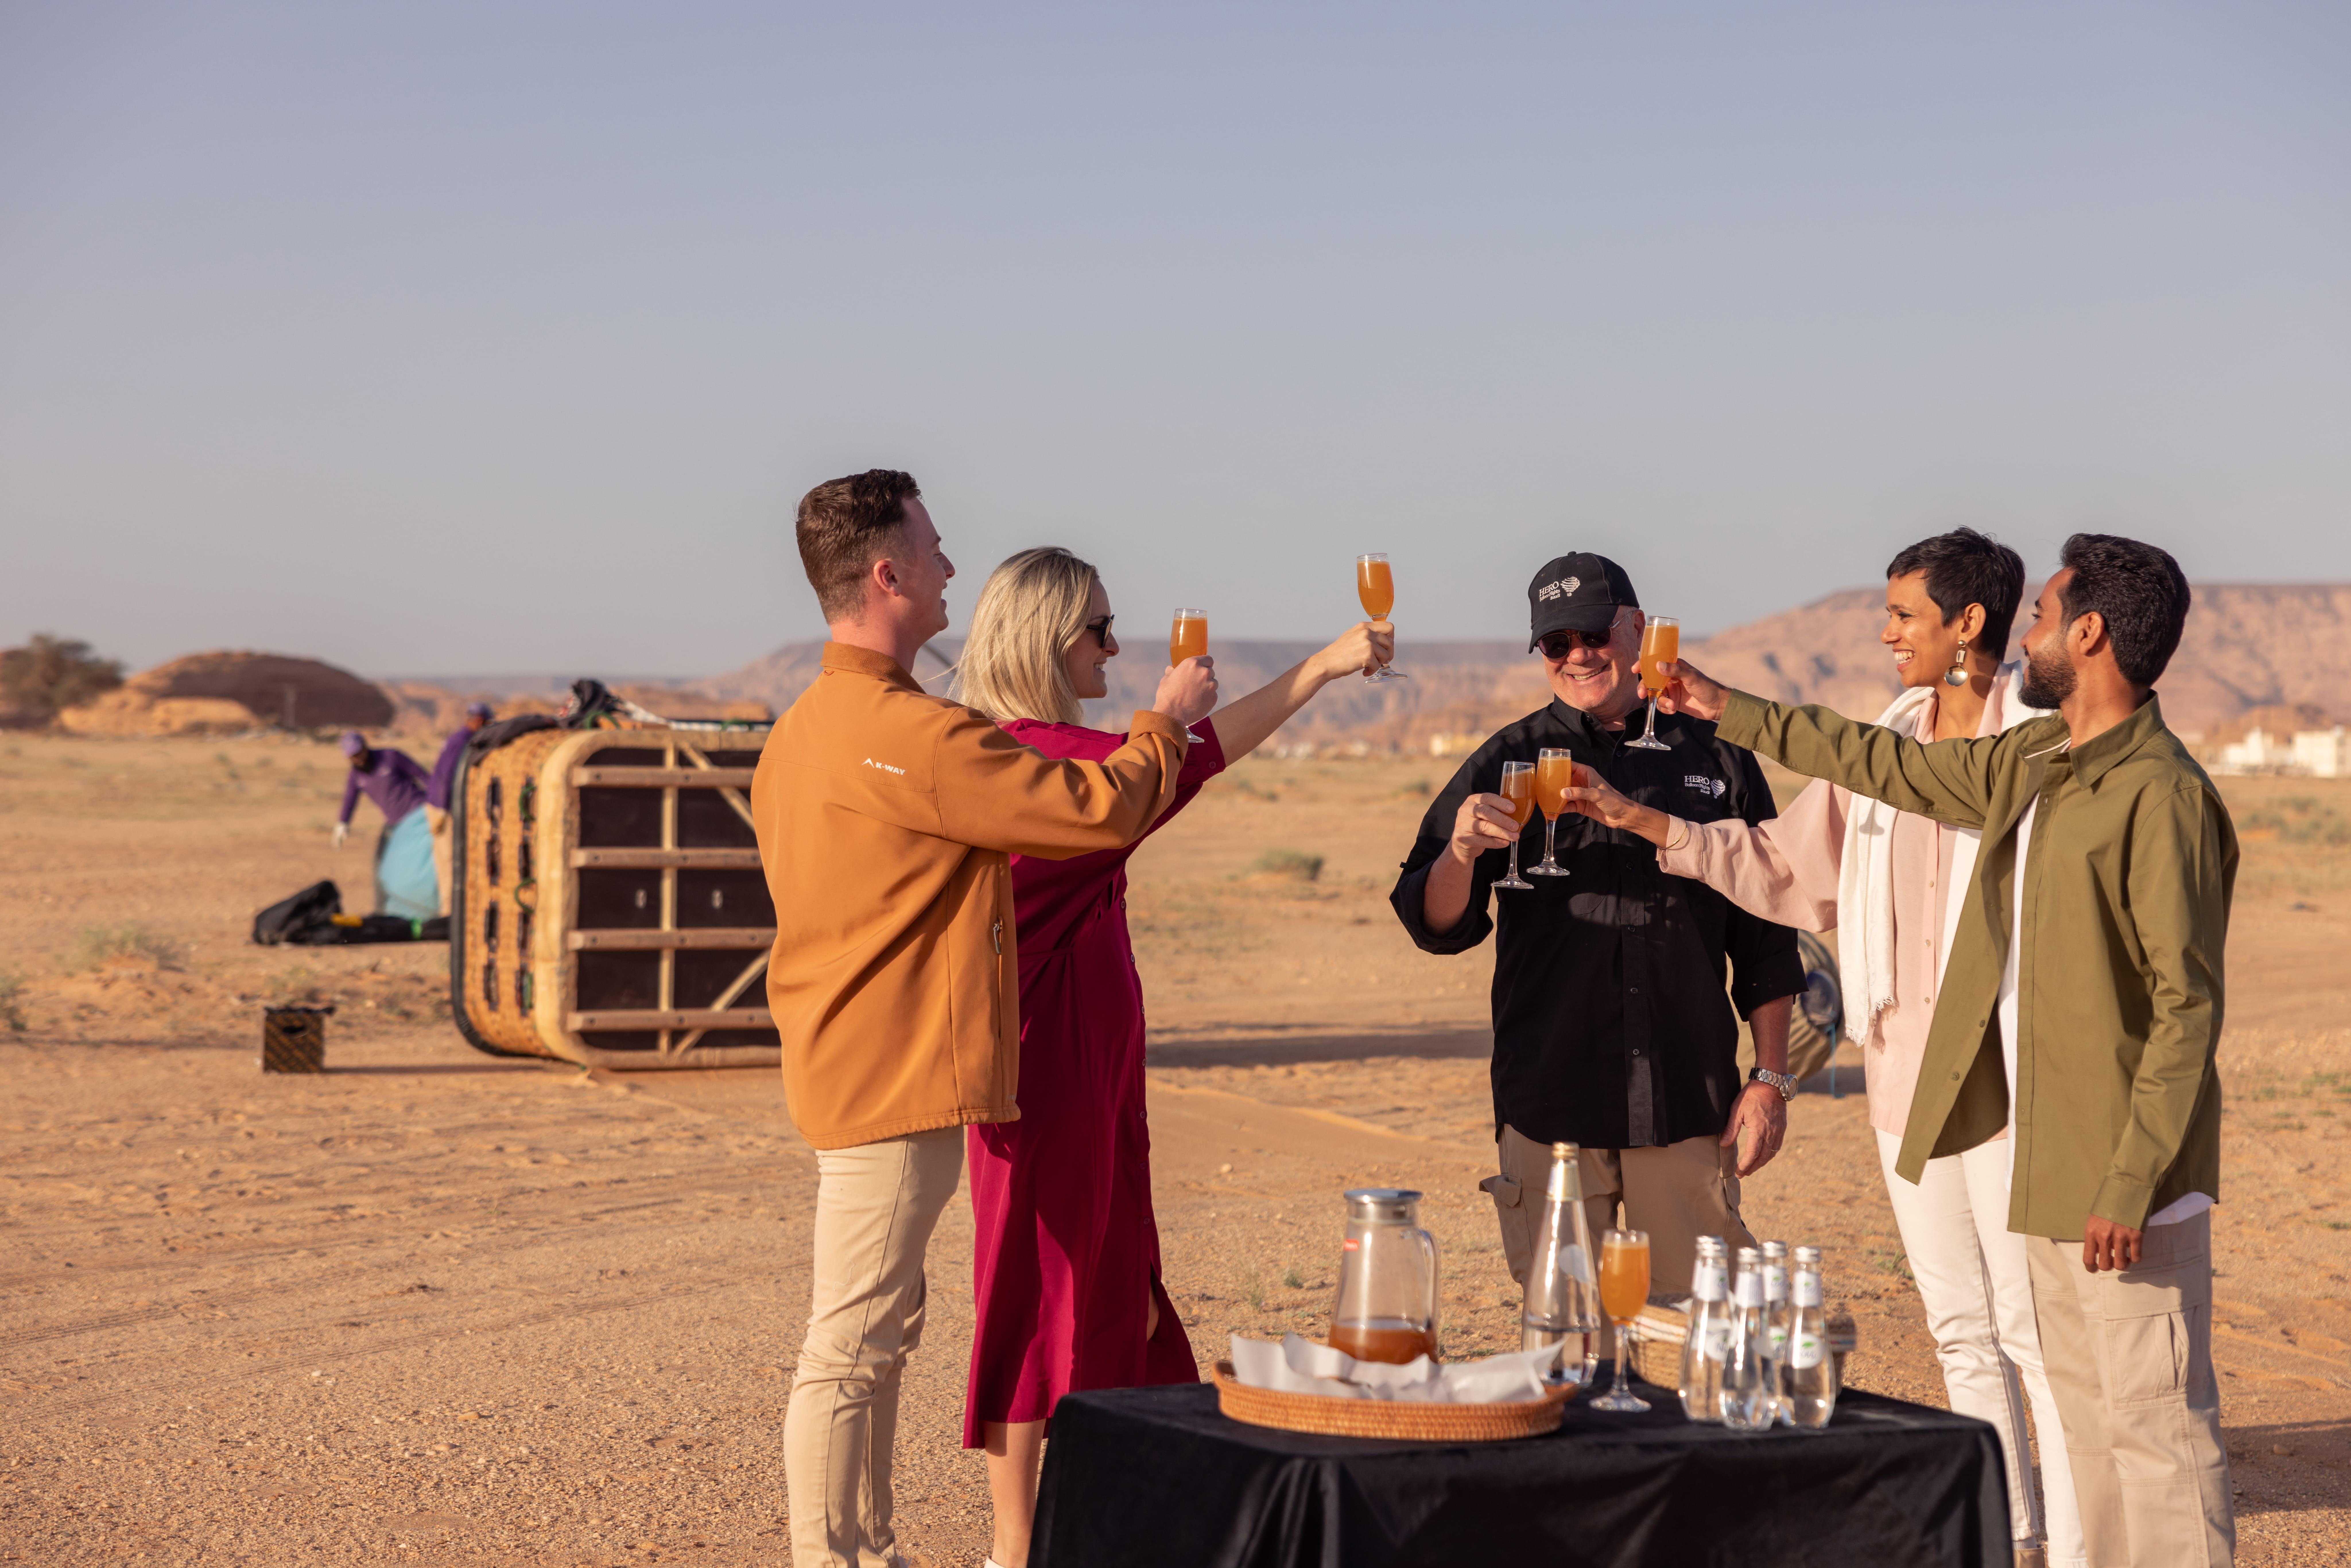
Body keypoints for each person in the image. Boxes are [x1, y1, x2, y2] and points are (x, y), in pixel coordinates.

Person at [1655, 533, 2234, 1567]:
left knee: (2154, 1439)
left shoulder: (2161, 794)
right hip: (2051, 1160)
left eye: (2048, 615)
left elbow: (2182, 1008)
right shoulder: (2038, 760)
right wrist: (1725, 707)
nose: (2032, 635)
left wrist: (2130, 1173)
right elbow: (1881, 763)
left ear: (2090, 633)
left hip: (2120, 1179)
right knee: (2083, 1428)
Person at [1560, 530, 2077, 1568]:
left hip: (2012, 1070)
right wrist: (1639, 818)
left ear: (1965, 624)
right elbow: (1778, 867)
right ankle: (2008, 1529)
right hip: (1902, 1069)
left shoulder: (2048, 743)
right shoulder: (1884, 738)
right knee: (1958, 1327)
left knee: (2030, 1329)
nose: (1883, 634)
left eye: (1902, 616)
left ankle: (2071, 1541)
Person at [751, 471, 1217, 1568]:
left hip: (846, 1060)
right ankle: (841, 1558)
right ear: (887, 573)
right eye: (936, 546)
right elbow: (1092, 808)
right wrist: (1165, 719)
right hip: (893, 1070)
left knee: (876, 1334)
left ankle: (867, 1546)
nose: (952, 565)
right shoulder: (905, 732)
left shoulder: (808, 725)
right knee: (851, 1344)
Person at [951, 547, 1392, 1568]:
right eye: (1098, 627)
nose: (1112, 642)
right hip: (1044, 1079)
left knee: (1109, 1281)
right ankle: (1017, 1546)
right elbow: (1180, 764)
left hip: (1090, 1077)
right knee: (1038, 1288)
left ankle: (1097, 1518)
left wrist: (1320, 666)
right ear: (1046, 637)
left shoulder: (1066, 758)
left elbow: (1180, 762)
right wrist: (1181, 709)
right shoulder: (1038, 769)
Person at [1389, 552, 1802, 1331]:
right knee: (1567, 1348)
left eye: (1594, 633)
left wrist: (1771, 1080)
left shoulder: (1720, 758)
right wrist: (1460, 855)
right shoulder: (1508, 759)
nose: (1578, 654)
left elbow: (1767, 934)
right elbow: (1432, 922)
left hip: (1687, 1107)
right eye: (1557, 643)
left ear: (1638, 629)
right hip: (1551, 1113)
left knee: (1696, 1343)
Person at [333, 731, 437, 922]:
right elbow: (350, 800)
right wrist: (343, 824)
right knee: (381, 864)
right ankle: (383, 912)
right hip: (394, 824)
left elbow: (422, 776)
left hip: (418, 815)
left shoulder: (390, 757)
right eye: (352, 756)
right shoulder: (356, 776)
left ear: (365, 747)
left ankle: (434, 907)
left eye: (358, 753)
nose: (357, 759)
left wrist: (437, 803)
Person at [424, 702, 492, 916]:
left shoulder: (463, 739)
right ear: (480, 721)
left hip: (442, 805)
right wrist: (444, 809)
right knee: (448, 862)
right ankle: (449, 915)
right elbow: (446, 777)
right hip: (442, 807)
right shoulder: (461, 742)